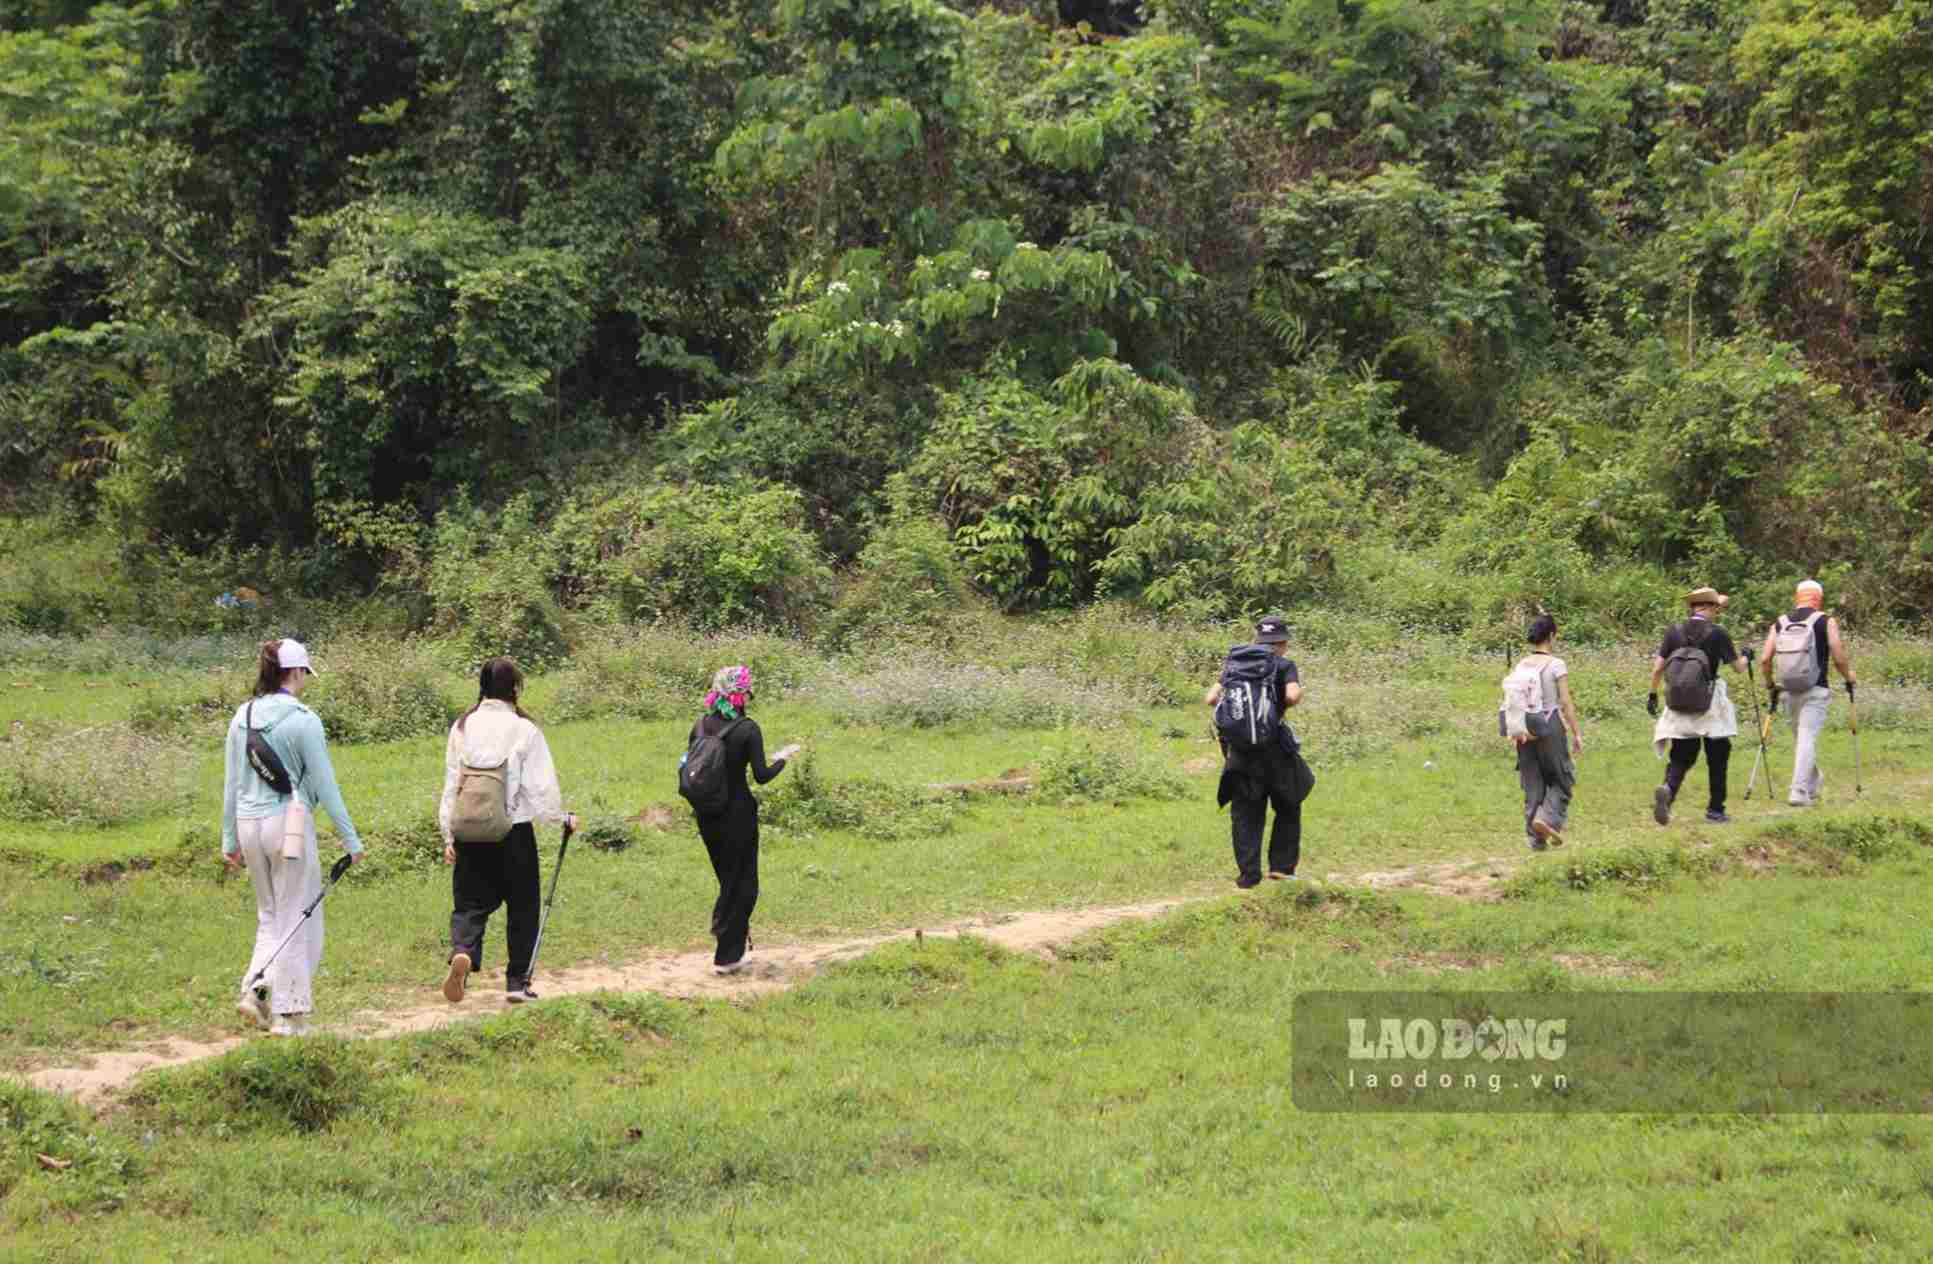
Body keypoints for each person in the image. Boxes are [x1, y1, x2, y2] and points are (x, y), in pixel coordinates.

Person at [222, 638, 363, 1036]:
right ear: (297, 672)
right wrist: (352, 842)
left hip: (249, 826)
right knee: (300, 916)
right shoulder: (304, 720)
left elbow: (232, 784)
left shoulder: (242, 716)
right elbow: (327, 787)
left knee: (270, 915)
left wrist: (229, 840)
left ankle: (256, 988)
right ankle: (291, 1015)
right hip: (288, 825)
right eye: (304, 673)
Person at [438, 657, 577, 1005]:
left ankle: (464, 951)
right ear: (514, 689)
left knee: (469, 904)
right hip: (512, 831)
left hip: (469, 829)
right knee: (523, 906)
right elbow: (540, 787)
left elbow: (452, 784)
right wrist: (560, 818)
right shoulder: (524, 729)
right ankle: (517, 981)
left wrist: (448, 835)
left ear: (482, 688)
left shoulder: (462, 727)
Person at [684, 666, 798, 976]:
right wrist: (784, 758)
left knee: (727, 881)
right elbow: (761, 776)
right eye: (747, 691)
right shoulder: (748, 729)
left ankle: (731, 943)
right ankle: (727, 956)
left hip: (707, 816)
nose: (750, 696)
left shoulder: (700, 726)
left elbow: (688, 765)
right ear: (740, 695)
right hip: (738, 816)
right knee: (744, 886)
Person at [1208, 615, 1307, 888]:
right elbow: (1291, 696)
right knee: (1289, 802)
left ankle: (1248, 876)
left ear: (1257, 639)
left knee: (1245, 813)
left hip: (1240, 753)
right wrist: (1294, 695)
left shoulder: (1235, 665)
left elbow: (1210, 698)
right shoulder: (1284, 665)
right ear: (1283, 642)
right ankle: (1282, 869)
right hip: (1275, 750)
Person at [1647, 586, 1751, 825]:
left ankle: (1668, 791)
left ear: (1692, 606)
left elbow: (1657, 668)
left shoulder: (1674, 632)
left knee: (1682, 754)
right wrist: (1747, 656)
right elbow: (1738, 668)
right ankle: (1716, 811)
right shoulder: (1718, 633)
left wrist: (1653, 694)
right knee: (1718, 753)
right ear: (1711, 607)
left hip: (1678, 701)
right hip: (1708, 702)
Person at [1758, 579, 1858, 807]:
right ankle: (1799, 791)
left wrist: (1770, 684)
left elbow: (1765, 659)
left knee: (1801, 738)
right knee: (1806, 738)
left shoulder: (1780, 622)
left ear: (1797, 598)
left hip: (1788, 690)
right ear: (1819, 599)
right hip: (1815, 688)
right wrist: (1849, 676)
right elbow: (1838, 654)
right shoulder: (1825, 620)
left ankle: (1813, 781)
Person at [1508, 614, 1584, 850]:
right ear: (1551, 636)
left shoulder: (1521, 664)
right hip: (1549, 726)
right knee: (1561, 780)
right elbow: (1565, 702)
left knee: (1533, 784)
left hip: (1523, 726)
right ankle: (1547, 819)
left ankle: (1535, 841)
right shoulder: (1556, 664)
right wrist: (1576, 732)